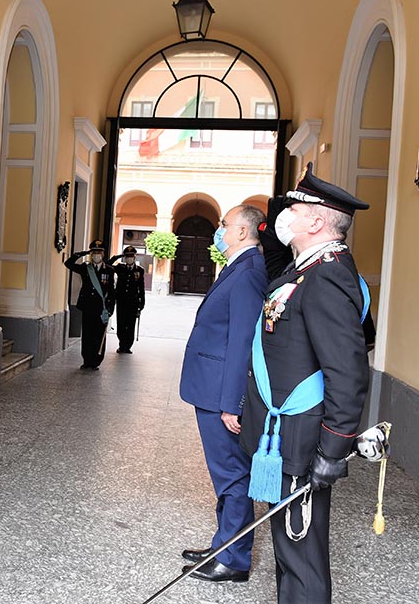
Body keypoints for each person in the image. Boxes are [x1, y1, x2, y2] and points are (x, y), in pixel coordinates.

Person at [239, 167, 372, 604]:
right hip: (285, 434)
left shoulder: (328, 276)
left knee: (301, 552)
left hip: (301, 436)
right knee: (289, 546)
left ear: (316, 221)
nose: (285, 217)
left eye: (294, 210)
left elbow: (347, 372)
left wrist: (332, 451)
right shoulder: (306, 268)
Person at [178, 205, 267, 583]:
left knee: (231, 475)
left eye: (225, 225)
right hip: (211, 387)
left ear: (244, 232)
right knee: (225, 474)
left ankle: (234, 558)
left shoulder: (248, 272)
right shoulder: (238, 267)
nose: (220, 230)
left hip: (221, 394)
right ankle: (223, 544)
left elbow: (243, 342)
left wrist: (233, 403)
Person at [64, 239, 115, 370]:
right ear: (91, 254)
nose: (96, 255)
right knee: (87, 335)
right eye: (94, 252)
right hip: (87, 307)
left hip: (101, 308)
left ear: (103, 254)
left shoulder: (109, 270)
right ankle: (87, 360)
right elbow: (68, 264)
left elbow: (111, 291)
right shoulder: (85, 268)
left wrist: (110, 309)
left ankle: (96, 361)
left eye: (99, 252)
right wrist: (81, 254)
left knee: (99, 335)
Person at [108, 245, 145, 354]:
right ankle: (121, 344)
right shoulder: (120, 267)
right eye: (127, 256)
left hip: (133, 302)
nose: (129, 258)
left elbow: (141, 287)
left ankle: (128, 346)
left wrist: (142, 302)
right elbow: (108, 265)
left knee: (131, 324)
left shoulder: (139, 270)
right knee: (121, 323)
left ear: (134, 257)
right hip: (121, 301)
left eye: (131, 256)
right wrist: (118, 257)